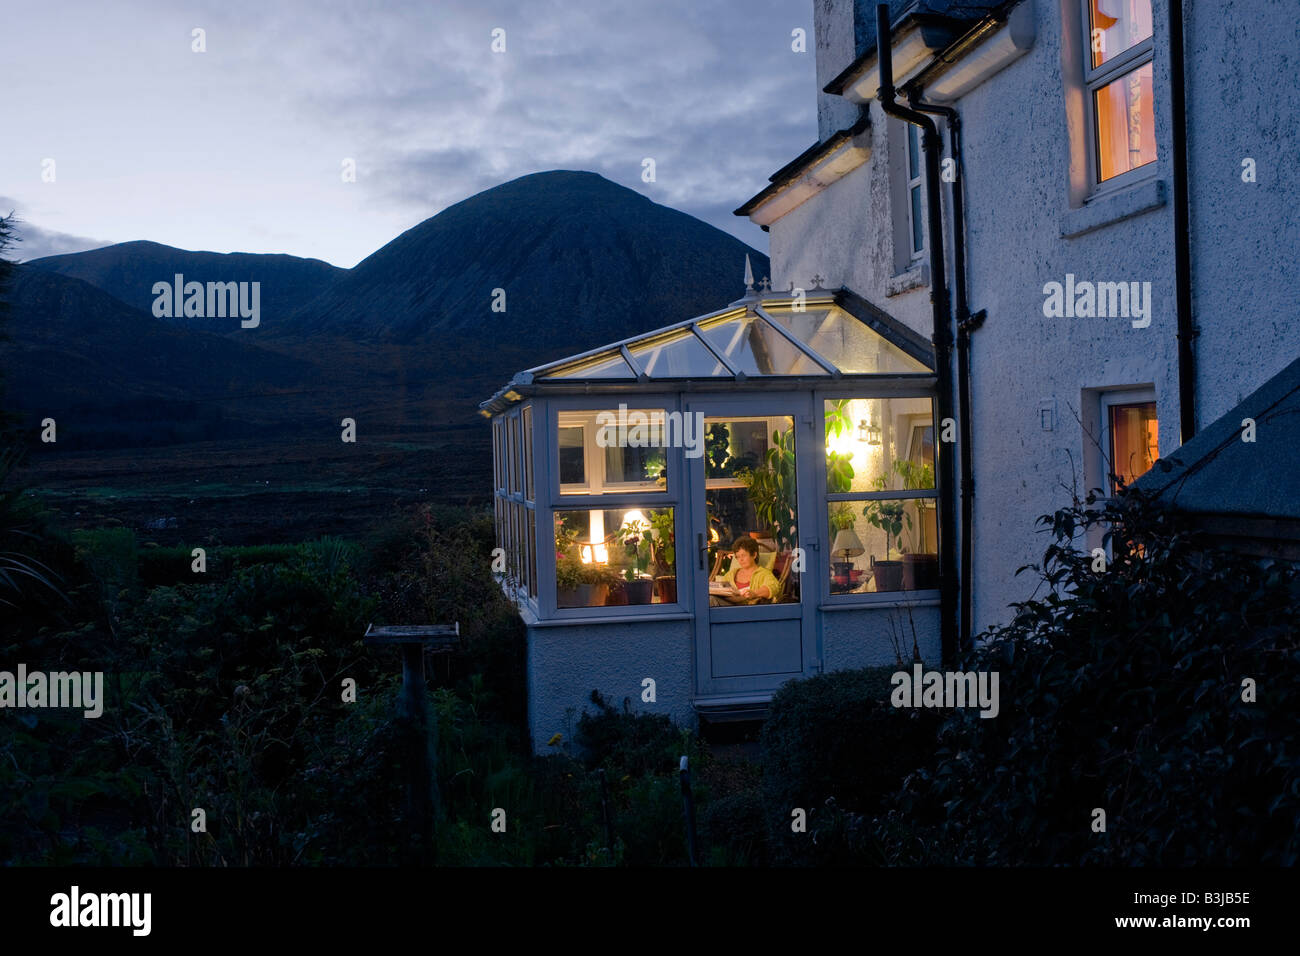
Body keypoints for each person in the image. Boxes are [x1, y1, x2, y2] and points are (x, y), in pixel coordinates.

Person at [714, 536, 781, 604]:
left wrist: (754, 593)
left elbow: (774, 587)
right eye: (737, 557)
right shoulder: (731, 574)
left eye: (743, 555)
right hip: (728, 607)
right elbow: (721, 589)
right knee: (710, 598)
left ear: (754, 555)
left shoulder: (764, 574)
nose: (740, 560)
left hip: (748, 610)